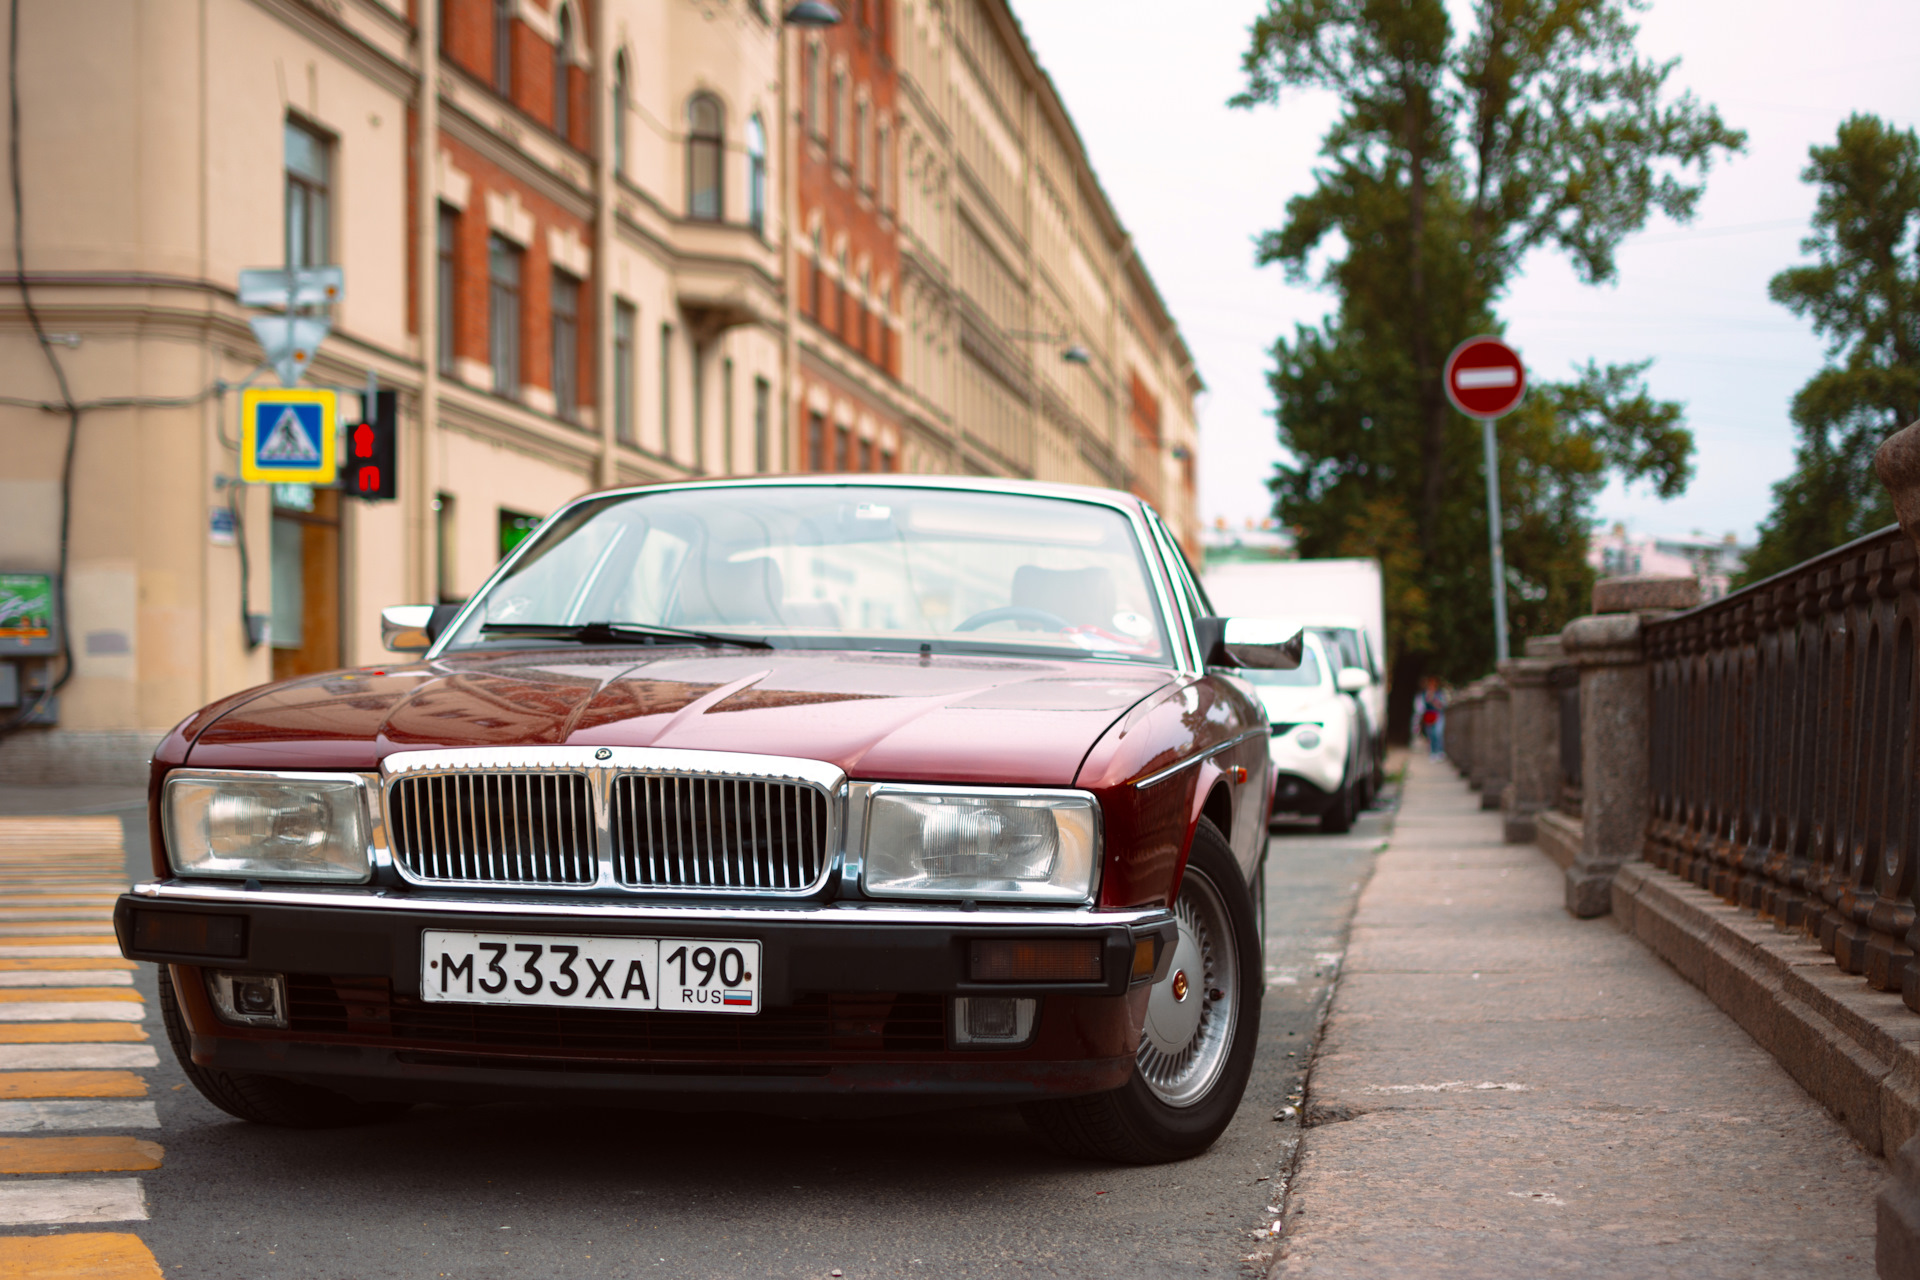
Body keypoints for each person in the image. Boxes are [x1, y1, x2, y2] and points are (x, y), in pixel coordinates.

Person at [1414, 677, 1447, 759]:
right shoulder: (1424, 694)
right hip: (1428, 716)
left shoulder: (1439, 693)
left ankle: (1439, 751)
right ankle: (1433, 752)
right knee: (1431, 734)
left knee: (1438, 733)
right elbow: (1420, 706)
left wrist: (1434, 701)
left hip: (1438, 715)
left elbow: (1443, 705)